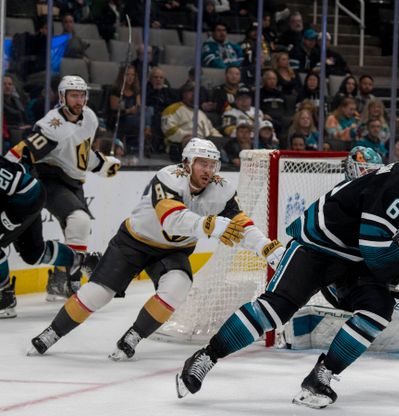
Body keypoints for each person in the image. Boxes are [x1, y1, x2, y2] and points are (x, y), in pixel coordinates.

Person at [175, 131, 399, 407]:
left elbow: (390, 233)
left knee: (377, 310)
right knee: (274, 310)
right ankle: (205, 357)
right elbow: (375, 248)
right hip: (317, 246)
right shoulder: (398, 185)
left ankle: (320, 378)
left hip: (355, 255)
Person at [28, 139, 284, 359]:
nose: (207, 170)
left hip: (173, 251)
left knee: (177, 288)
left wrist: (266, 248)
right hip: (133, 242)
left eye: (211, 164)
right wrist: (210, 224)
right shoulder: (168, 177)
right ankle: (53, 331)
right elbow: (171, 220)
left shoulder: (222, 189)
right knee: (98, 294)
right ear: (187, 163)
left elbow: (241, 224)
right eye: (201, 163)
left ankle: (133, 336)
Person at [6, 76, 120, 300]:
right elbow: (24, 151)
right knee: (80, 220)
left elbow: (80, 153)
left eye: (82, 95)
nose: (79, 100)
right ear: (62, 97)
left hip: (74, 181)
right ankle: (70, 281)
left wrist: (101, 164)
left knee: (77, 227)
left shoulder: (89, 117)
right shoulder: (51, 126)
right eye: (73, 95)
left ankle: (60, 281)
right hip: (49, 179)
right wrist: (5, 169)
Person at [0, 157, 99, 318]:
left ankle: (4, 297)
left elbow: (29, 188)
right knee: (33, 253)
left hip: (28, 196)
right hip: (19, 196)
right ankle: (80, 260)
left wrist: (9, 220)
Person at [161, 83, 223, 160]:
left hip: (204, 147)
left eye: (196, 92)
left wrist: (219, 138)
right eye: (191, 91)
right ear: (184, 94)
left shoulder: (201, 113)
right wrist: (186, 136)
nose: (194, 94)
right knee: (191, 141)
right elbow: (168, 129)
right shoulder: (173, 109)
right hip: (180, 146)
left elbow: (211, 130)